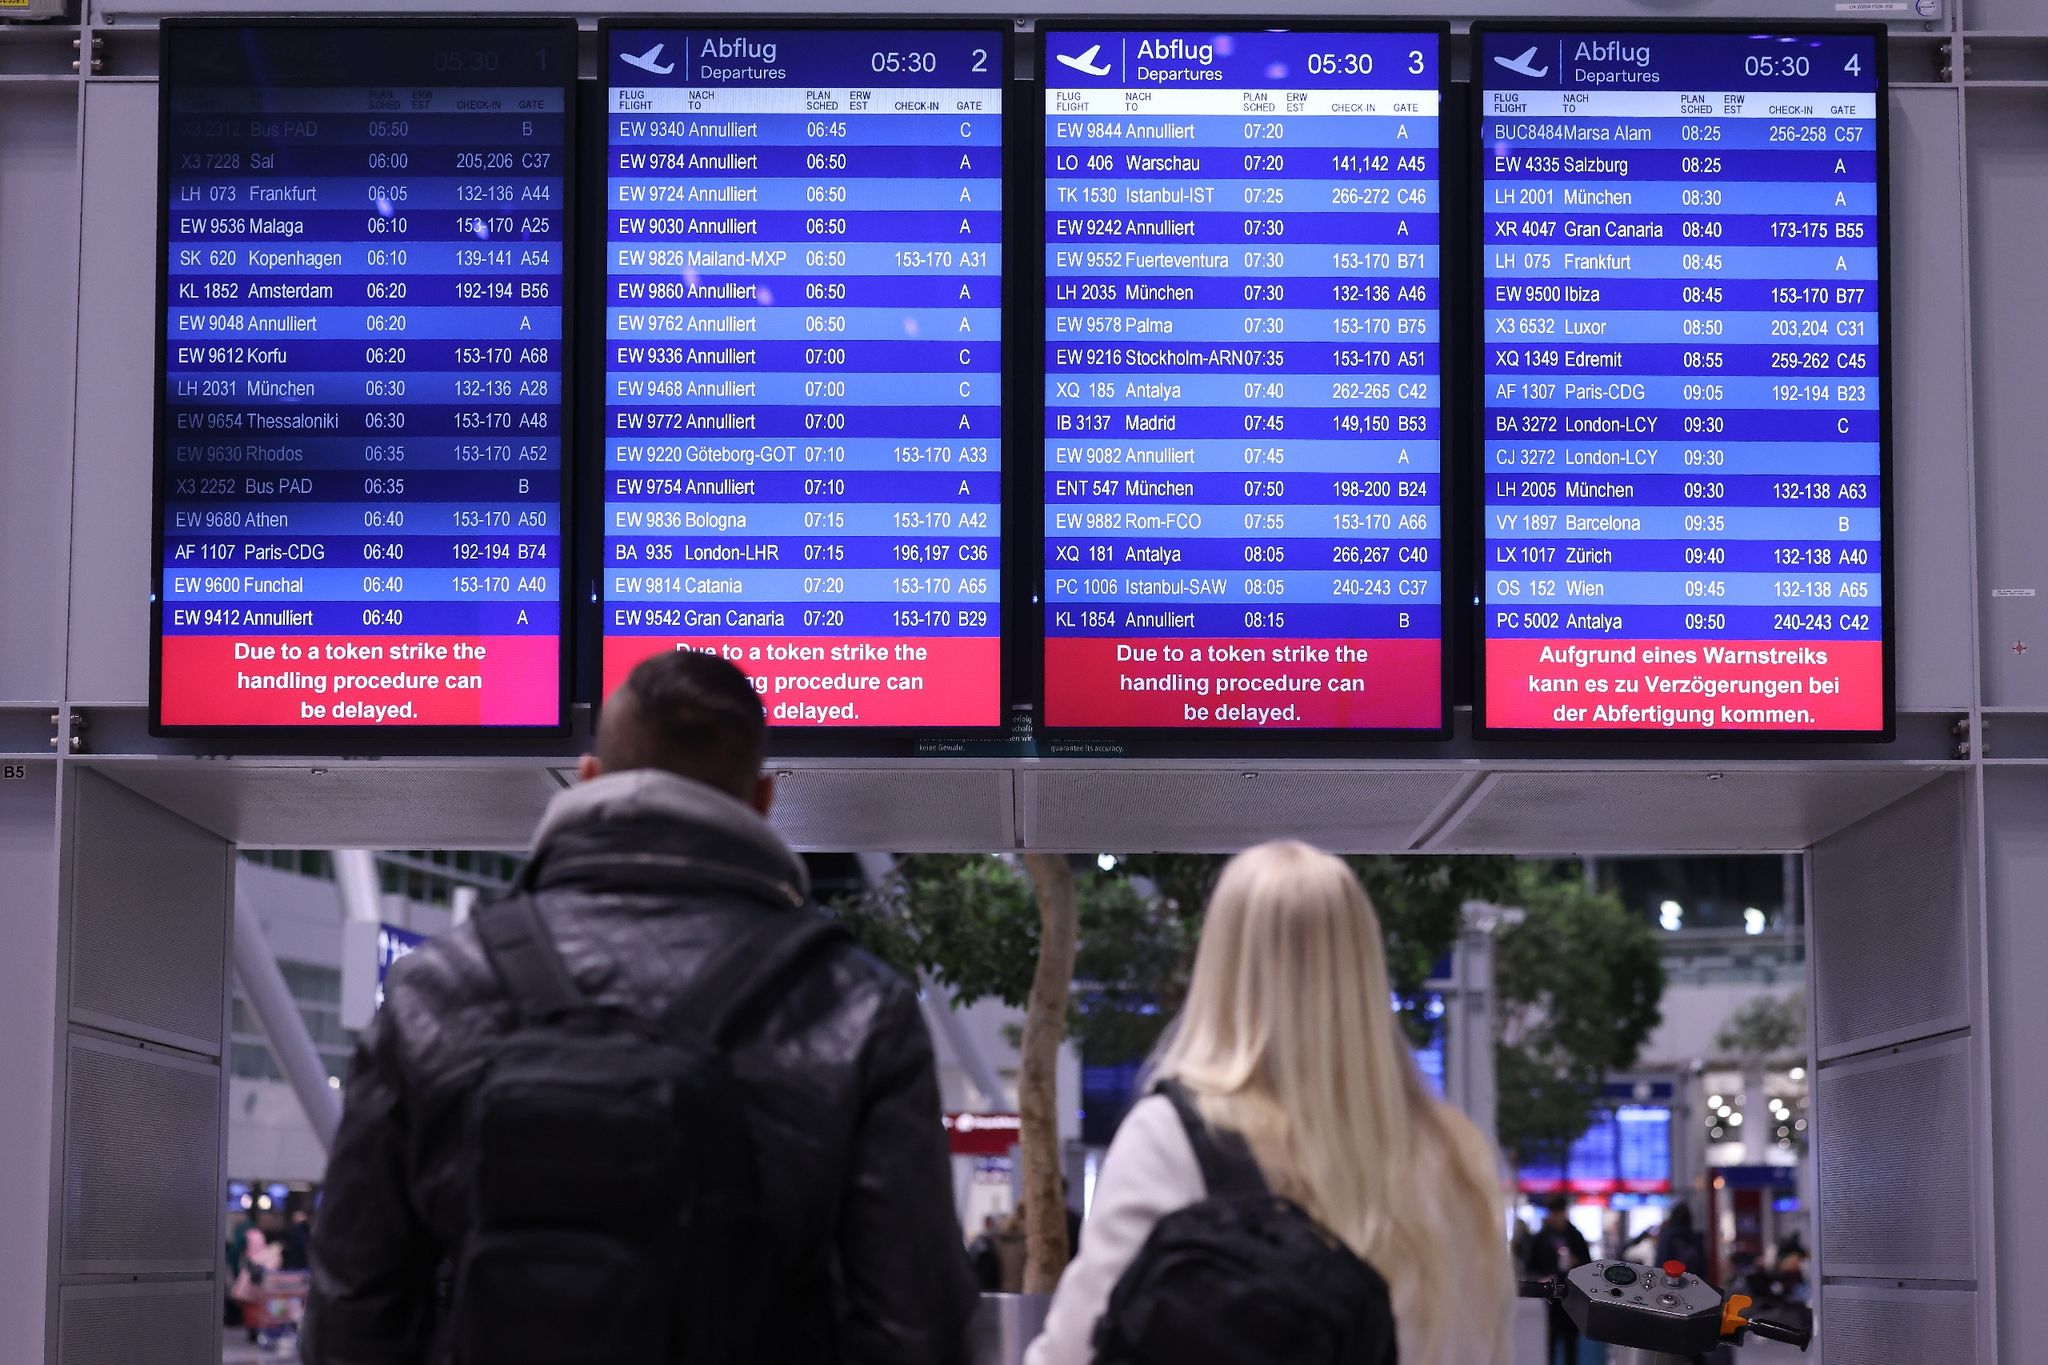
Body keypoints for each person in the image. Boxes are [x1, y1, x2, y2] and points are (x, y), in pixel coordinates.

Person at [304, 650, 978, 1364]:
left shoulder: (431, 990)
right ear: (762, 799)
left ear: (589, 777)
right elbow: (916, 1322)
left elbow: (352, 1311)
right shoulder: (856, 1005)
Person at [1026, 841, 1514, 1365]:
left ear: (1220, 966)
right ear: (1364, 966)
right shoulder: (1454, 1154)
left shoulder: (1176, 1139)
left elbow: (1073, 1351)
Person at [1525, 1195, 1593, 1365]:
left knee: (1571, 1344)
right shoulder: (1541, 1237)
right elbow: (1530, 1267)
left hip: (1571, 1297)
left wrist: (1576, 1262)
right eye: (1552, 1214)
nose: (1555, 1217)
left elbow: (1589, 1267)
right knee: (1549, 1343)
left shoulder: (1576, 1236)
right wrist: (1540, 1279)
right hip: (1548, 1300)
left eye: (1558, 1213)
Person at [1655, 1199, 1707, 1272]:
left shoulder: (1667, 1236)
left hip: (1672, 1277)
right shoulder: (1696, 1237)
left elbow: (1661, 1261)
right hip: (1692, 1279)